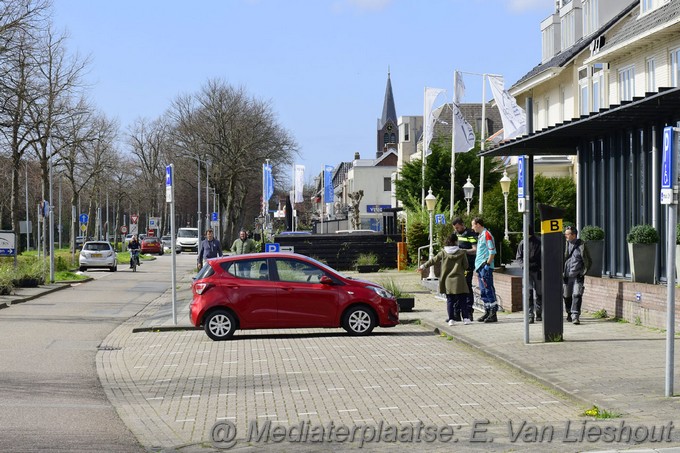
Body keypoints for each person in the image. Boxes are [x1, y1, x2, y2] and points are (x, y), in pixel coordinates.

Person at [417, 233, 470, 325]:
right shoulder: (462, 253)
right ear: (456, 241)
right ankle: (465, 318)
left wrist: (423, 266)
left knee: (450, 300)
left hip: (448, 280)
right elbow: (466, 266)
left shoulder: (443, 253)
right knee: (462, 300)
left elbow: (433, 260)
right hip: (460, 280)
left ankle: (451, 319)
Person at [471, 217, 498, 323]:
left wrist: (487, 265)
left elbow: (492, 252)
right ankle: (487, 310)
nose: (472, 227)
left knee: (488, 289)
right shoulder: (481, 236)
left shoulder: (487, 235)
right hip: (480, 267)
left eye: (473, 225)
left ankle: (493, 313)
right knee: (483, 291)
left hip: (484, 266)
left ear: (478, 224)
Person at [563, 225, 590, 325]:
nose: (565, 235)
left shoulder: (581, 245)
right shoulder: (564, 244)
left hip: (577, 275)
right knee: (566, 295)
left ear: (573, 235)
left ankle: (575, 315)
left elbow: (588, 261)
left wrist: (582, 272)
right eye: (565, 234)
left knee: (577, 294)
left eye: (567, 234)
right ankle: (569, 312)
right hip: (566, 276)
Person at [452, 217, 477, 322]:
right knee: (457, 287)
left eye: (458, 227)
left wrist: (463, 251)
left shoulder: (470, 234)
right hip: (458, 265)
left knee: (467, 287)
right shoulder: (456, 234)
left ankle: (468, 311)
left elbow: (475, 250)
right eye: (455, 228)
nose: (456, 230)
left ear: (462, 225)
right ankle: (456, 312)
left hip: (468, 264)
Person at [516, 226, 542, 323]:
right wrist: (524, 266)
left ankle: (539, 312)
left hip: (538, 270)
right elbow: (518, 257)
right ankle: (530, 314)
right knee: (529, 293)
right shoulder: (523, 243)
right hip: (527, 271)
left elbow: (543, 256)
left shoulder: (539, 242)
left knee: (539, 293)